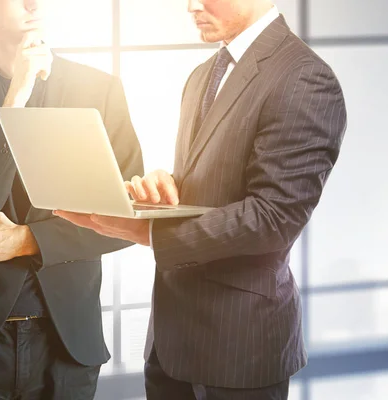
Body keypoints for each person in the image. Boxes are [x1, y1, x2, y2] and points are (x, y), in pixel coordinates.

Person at [55, 0, 347, 399]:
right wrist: (165, 188)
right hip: (170, 343)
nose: (190, 5)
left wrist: (152, 233)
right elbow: (215, 180)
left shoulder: (303, 77)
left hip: (238, 346)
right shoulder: (203, 75)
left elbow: (275, 217)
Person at [0, 0, 143, 398]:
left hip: (66, 343)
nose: (34, 3)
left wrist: (28, 239)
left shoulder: (99, 89)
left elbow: (130, 221)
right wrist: (15, 98)